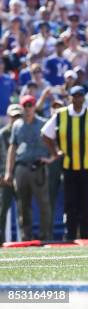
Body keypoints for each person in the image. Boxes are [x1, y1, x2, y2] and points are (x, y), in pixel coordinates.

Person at [41, 86, 88, 240]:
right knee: (70, 201)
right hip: (68, 166)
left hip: (87, 166)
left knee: (85, 201)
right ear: (70, 98)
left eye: (80, 96)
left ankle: (86, 234)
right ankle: (71, 234)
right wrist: (55, 152)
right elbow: (45, 134)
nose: (78, 99)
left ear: (84, 98)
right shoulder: (61, 115)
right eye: (75, 96)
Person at [3, 95, 52, 241]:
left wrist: (51, 158)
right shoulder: (17, 125)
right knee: (23, 205)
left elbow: (53, 143)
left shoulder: (44, 123)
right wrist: (8, 171)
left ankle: (45, 236)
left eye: (31, 105)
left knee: (43, 203)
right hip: (21, 167)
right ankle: (27, 237)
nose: (28, 108)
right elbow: (12, 148)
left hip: (39, 167)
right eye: (26, 105)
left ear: (35, 106)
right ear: (22, 107)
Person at [0, 104, 23, 243]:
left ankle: (26, 239)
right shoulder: (2, 134)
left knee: (24, 210)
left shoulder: (24, 131)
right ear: (9, 117)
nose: (16, 119)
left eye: (18, 116)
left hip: (21, 176)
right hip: (5, 178)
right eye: (14, 116)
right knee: (2, 211)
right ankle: (0, 241)